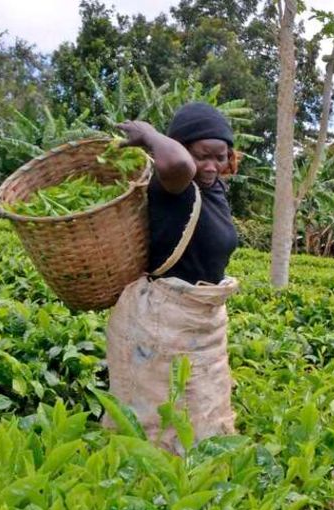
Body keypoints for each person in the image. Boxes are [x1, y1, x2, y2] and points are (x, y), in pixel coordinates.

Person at [106, 102, 242, 454]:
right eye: (202, 155)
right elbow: (177, 163)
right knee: (157, 415)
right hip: (164, 319)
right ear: (182, 148)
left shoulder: (214, 189)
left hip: (202, 319)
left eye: (220, 156)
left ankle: (196, 476)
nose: (211, 166)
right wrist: (150, 135)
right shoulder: (175, 184)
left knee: (202, 404)